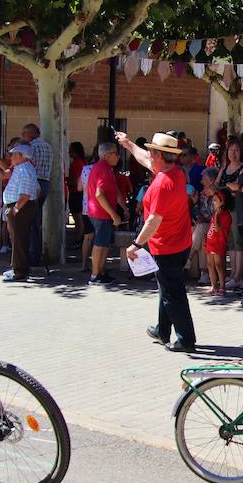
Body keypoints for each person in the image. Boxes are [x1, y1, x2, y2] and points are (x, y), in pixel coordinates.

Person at [118, 131, 196, 352]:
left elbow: (153, 221)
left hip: (168, 247)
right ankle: (162, 330)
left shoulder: (163, 183)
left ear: (159, 155)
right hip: (179, 243)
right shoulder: (174, 172)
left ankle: (186, 340)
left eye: (152, 151)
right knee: (166, 288)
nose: (149, 154)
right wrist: (128, 144)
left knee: (173, 294)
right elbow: (143, 158)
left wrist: (136, 244)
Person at [0, 141, 39, 282]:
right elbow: (2, 174)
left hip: (20, 207)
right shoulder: (20, 167)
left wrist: (15, 209)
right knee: (16, 238)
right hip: (16, 207)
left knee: (19, 239)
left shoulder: (25, 169)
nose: (11, 157)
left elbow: (25, 194)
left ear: (22, 156)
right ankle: (17, 267)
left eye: (14, 154)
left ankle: (20, 271)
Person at [85, 141, 122, 284]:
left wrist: (122, 208)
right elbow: (99, 194)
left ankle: (100, 272)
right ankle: (95, 275)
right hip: (101, 213)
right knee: (100, 243)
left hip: (99, 211)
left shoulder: (104, 168)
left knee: (104, 243)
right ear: (107, 155)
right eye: (116, 153)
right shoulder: (103, 169)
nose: (118, 157)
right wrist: (114, 214)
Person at [220, 139, 243, 293]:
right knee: (231, 242)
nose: (232, 153)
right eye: (230, 150)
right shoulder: (225, 167)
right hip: (225, 208)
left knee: (239, 242)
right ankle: (233, 274)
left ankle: (238, 276)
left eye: (236, 150)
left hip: (239, 208)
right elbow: (217, 184)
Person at [20, 123, 53, 264]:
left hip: (34, 183)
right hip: (45, 182)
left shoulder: (31, 147)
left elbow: (26, 165)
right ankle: (36, 253)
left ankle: (32, 255)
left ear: (31, 134)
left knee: (30, 221)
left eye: (25, 133)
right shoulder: (48, 147)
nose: (23, 136)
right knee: (36, 219)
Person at [205, 190, 232, 296]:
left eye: (215, 200)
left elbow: (218, 228)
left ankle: (222, 286)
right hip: (210, 242)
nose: (213, 202)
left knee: (219, 264)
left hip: (218, 243)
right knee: (210, 264)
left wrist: (216, 215)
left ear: (222, 202)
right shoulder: (215, 213)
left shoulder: (225, 215)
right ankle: (214, 286)